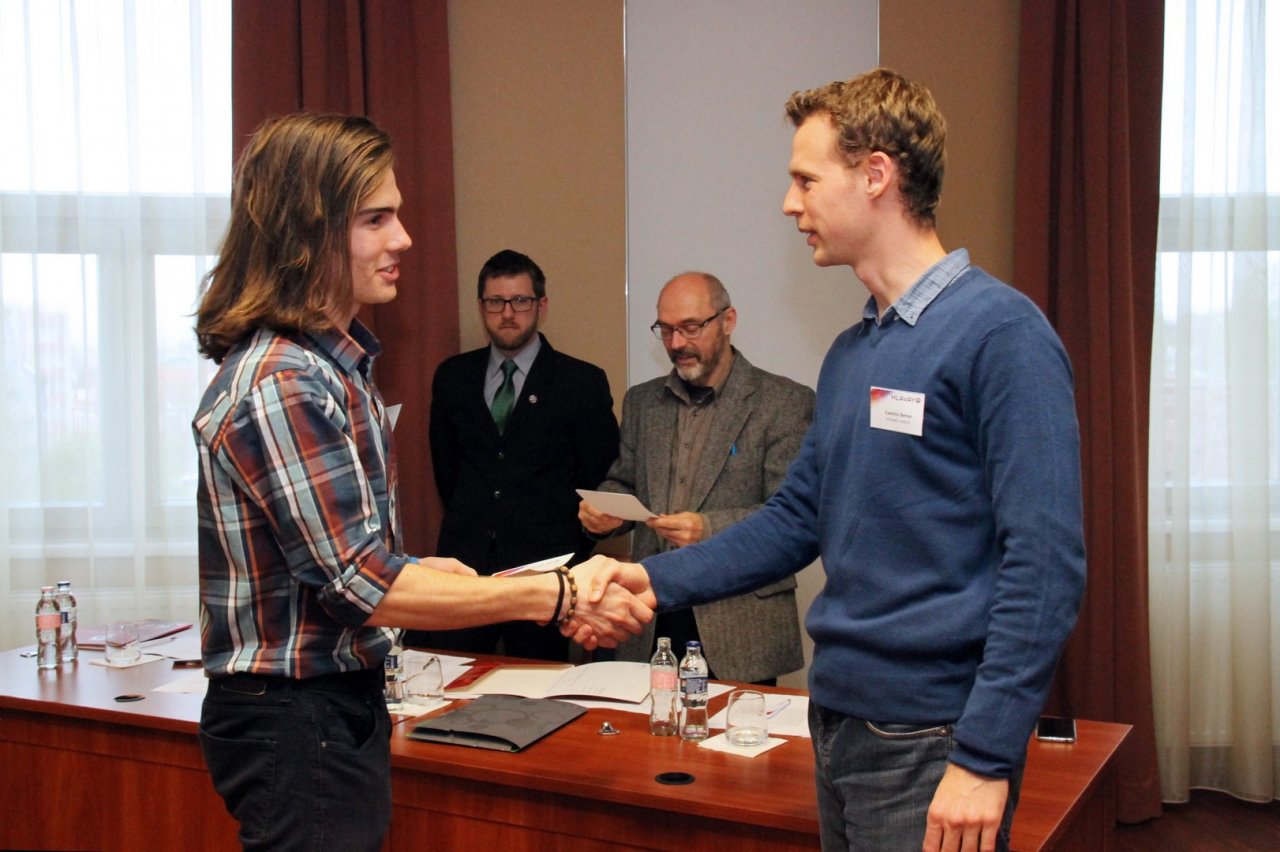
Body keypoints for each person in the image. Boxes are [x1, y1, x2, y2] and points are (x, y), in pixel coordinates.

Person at [573, 68, 1085, 852]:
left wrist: (985, 756)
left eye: (806, 180)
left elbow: (1044, 565)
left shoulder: (1001, 334)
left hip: (932, 738)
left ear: (876, 175)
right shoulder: (853, 352)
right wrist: (653, 579)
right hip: (840, 721)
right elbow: (795, 519)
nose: (790, 203)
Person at [192, 113, 648, 852]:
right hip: (298, 714)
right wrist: (556, 593)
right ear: (309, 232)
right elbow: (359, 587)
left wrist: (419, 569)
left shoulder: (333, 371)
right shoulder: (286, 382)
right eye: (376, 218)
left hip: (324, 707)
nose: (404, 238)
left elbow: (347, 562)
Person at [578, 271, 811, 684]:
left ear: (728, 321)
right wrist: (606, 512)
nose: (676, 343)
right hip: (650, 613)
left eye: (690, 328)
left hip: (738, 619)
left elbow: (791, 513)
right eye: (666, 330)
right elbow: (624, 480)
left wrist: (708, 528)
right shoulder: (643, 401)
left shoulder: (785, 403)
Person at [402, 249, 620, 661]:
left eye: (520, 301)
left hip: (545, 575)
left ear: (541, 306)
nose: (507, 313)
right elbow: (447, 473)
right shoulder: (452, 377)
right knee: (450, 681)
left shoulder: (581, 382)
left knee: (538, 689)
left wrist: (575, 553)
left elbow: (601, 479)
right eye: (495, 302)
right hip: (465, 571)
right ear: (481, 307)